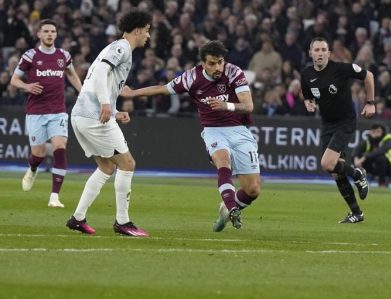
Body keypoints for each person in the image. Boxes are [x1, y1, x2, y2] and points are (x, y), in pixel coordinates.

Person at [121, 40, 259, 232]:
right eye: (212, 63)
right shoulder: (191, 78)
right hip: (213, 129)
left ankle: (226, 209)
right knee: (223, 160)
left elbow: (249, 105)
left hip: (239, 129)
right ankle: (231, 206)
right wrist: (132, 93)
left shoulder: (234, 72)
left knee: (252, 190)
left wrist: (226, 105)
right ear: (203, 63)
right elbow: (162, 89)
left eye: (220, 62)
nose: (217, 67)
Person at [65, 10, 152, 237]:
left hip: (81, 115)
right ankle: (123, 222)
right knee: (127, 163)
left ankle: (78, 218)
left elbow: (96, 80)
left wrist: (113, 111)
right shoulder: (121, 48)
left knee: (106, 167)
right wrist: (105, 104)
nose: (148, 36)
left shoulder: (117, 48)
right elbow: (102, 71)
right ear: (138, 29)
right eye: (148, 30)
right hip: (93, 116)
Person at [301, 37, 375, 224]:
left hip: (345, 121)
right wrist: (308, 103)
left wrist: (370, 103)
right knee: (336, 171)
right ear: (311, 53)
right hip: (327, 123)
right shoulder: (306, 73)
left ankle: (358, 174)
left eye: (322, 50)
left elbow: (369, 76)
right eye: (316, 50)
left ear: (328, 53)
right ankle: (357, 213)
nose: (319, 53)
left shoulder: (340, 69)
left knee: (327, 163)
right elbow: (308, 94)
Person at [10, 19, 82, 208]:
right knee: (38, 154)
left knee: (60, 146)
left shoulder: (63, 55)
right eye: (46, 31)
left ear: (56, 35)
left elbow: (71, 74)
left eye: (53, 31)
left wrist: (82, 93)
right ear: (39, 34)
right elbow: (14, 80)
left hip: (58, 110)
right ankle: (33, 168)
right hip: (36, 112)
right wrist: (26, 86)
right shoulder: (30, 56)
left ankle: (54, 196)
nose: (50, 34)